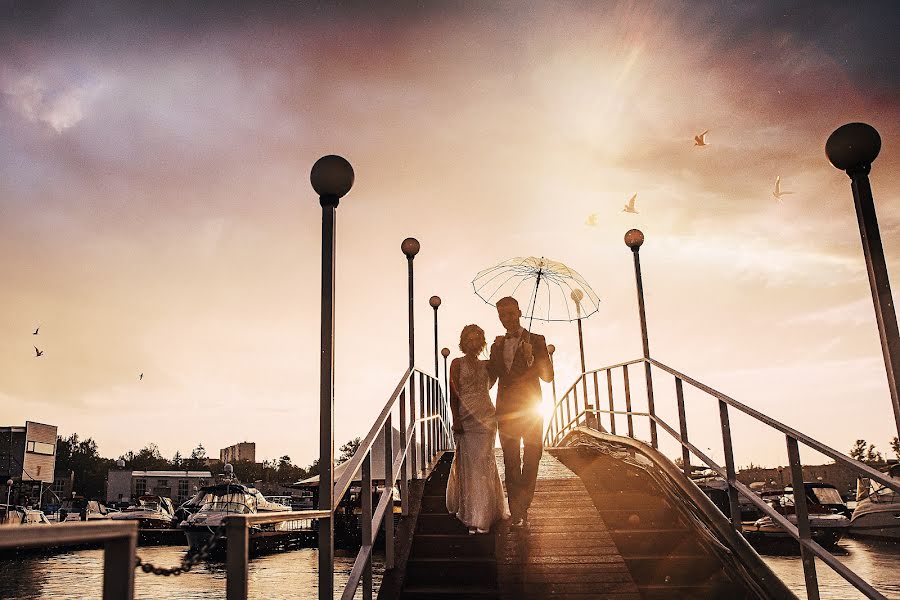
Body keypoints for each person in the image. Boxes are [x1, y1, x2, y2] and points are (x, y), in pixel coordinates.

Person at [488, 296, 553, 527]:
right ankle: (518, 510)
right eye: (502, 315)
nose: (507, 318)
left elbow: (548, 377)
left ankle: (524, 502)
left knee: (533, 455)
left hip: (531, 408)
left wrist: (531, 357)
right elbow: (491, 378)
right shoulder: (496, 344)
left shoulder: (536, 340)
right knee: (511, 459)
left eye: (510, 313)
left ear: (519, 312)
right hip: (505, 411)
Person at [446, 324, 509, 534]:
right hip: (465, 417)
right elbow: (453, 393)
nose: (473, 343)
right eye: (469, 339)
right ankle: (471, 514)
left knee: (484, 464)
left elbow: (495, 378)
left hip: (487, 418)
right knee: (470, 466)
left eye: (477, 339)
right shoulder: (456, 363)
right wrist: (456, 418)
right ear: (463, 342)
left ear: (482, 342)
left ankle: (484, 515)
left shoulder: (487, 365)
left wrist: (497, 345)